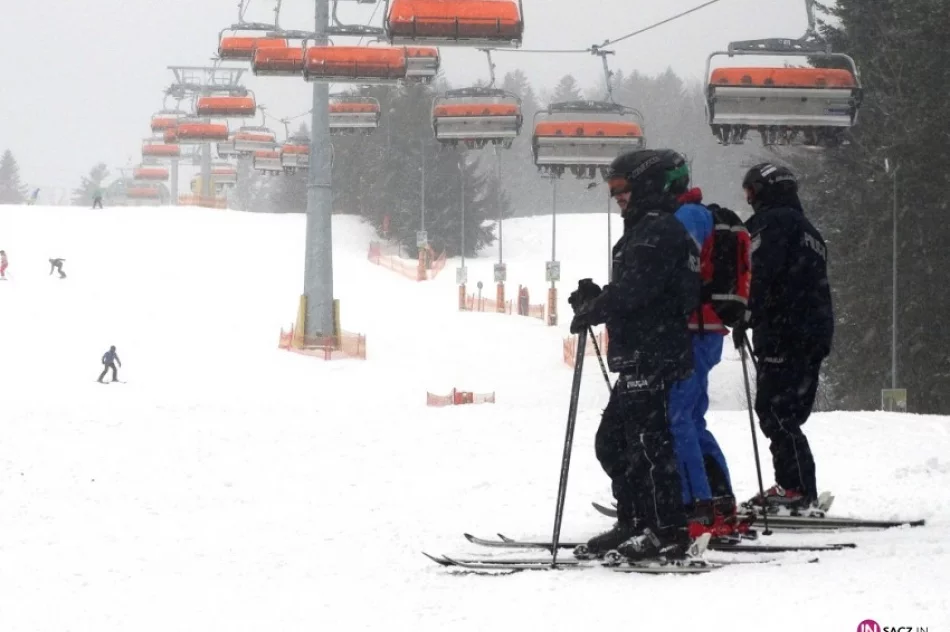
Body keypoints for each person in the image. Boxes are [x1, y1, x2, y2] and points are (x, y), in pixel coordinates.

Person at [568, 149, 700, 561]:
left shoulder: (659, 230)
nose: (617, 197)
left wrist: (598, 307)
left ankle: (668, 529)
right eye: (612, 189)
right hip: (638, 352)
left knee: (648, 444)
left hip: (655, 352)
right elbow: (633, 288)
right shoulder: (644, 229)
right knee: (613, 443)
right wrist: (596, 299)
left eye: (622, 187)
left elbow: (639, 289)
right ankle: (636, 520)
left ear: (646, 184)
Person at [735, 163, 834, 510]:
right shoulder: (808, 230)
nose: (749, 199)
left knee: (774, 410)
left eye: (751, 191)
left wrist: (745, 312)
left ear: (767, 189)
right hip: (812, 331)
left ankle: (795, 488)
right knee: (787, 413)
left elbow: (759, 272)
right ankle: (797, 486)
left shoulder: (771, 223)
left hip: (784, 330)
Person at [663, 168, 741, 534]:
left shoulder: (688, 215)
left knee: (679, 417)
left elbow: (681, 272)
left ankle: (697, 505)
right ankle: (717, 499)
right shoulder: (696, 212)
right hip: (706, 328)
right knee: (692, 418)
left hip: (696, 327)